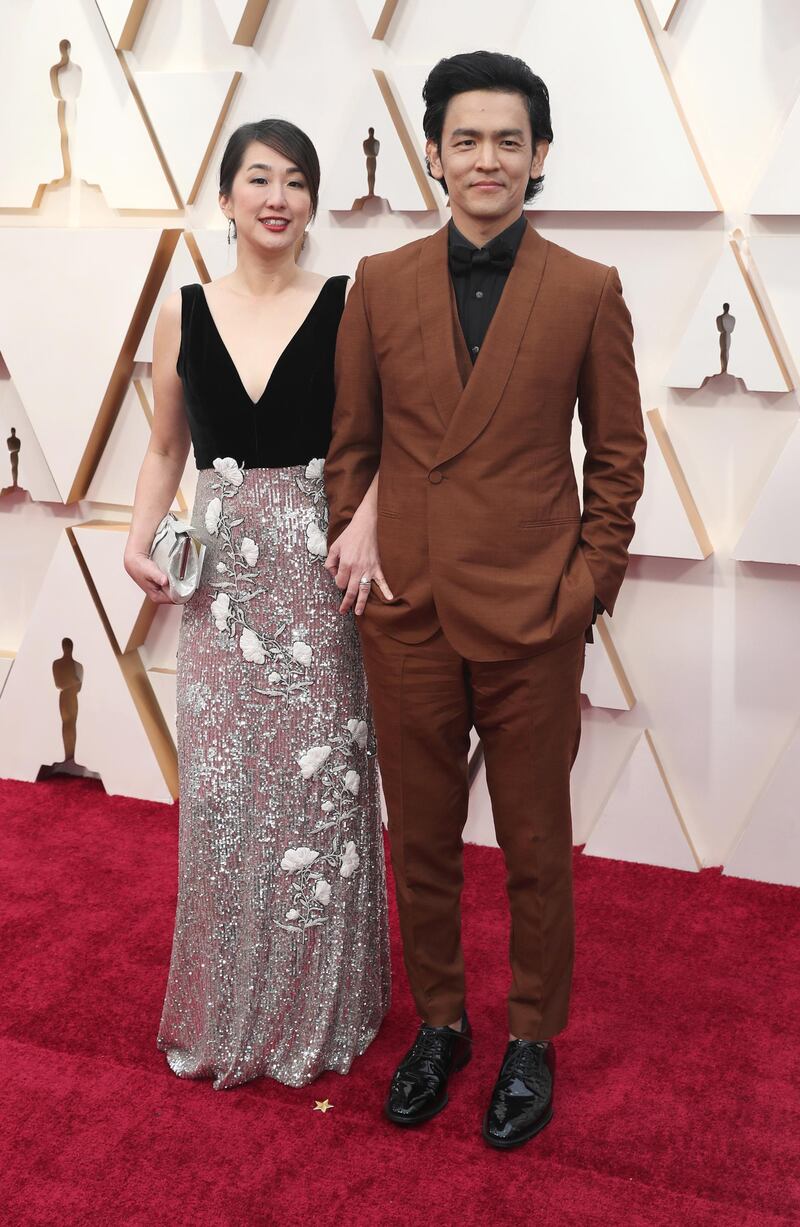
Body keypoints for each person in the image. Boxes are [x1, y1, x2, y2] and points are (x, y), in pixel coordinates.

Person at [325, 51, 646, 1147]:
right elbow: (351, 446)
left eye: (508, 139)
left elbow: (616, 460)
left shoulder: (587, 290)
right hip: (405, 609)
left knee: (534, 844)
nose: (486, 158)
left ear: (539, 156)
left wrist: (584, 590)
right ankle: (443, 1024)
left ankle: (529, 1037)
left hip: (530, 617)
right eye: (465, 139)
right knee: (416, 836)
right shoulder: (378, 282)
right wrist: (354, 550)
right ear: (433, 154)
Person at [124, 119, 391, 1089]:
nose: (276, 197)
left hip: (318, 576)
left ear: (312, 203)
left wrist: (365, 521)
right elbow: (161, 448)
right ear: (226, 198)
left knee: (320, 790)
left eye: (294, 182)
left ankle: (321, 1005)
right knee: (229, 797)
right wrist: (135, 533)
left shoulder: (347, 304)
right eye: (257, 179)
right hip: (220, 588)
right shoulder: (182, 309)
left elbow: (392, 437)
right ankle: (231, 997)